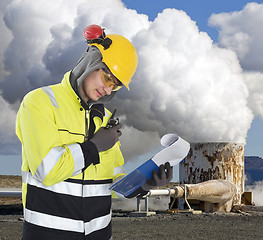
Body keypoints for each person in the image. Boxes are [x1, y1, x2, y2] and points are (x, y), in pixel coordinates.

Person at [16, 25, 173, 240]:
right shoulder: (40, 102)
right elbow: (47, 170)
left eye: (115, 86)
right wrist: (94, 147)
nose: (109, 90)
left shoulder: (105, 119)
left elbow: (114, 184)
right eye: (109, 78)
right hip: (48, 234)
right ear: (92, 61)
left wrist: (144, 184)